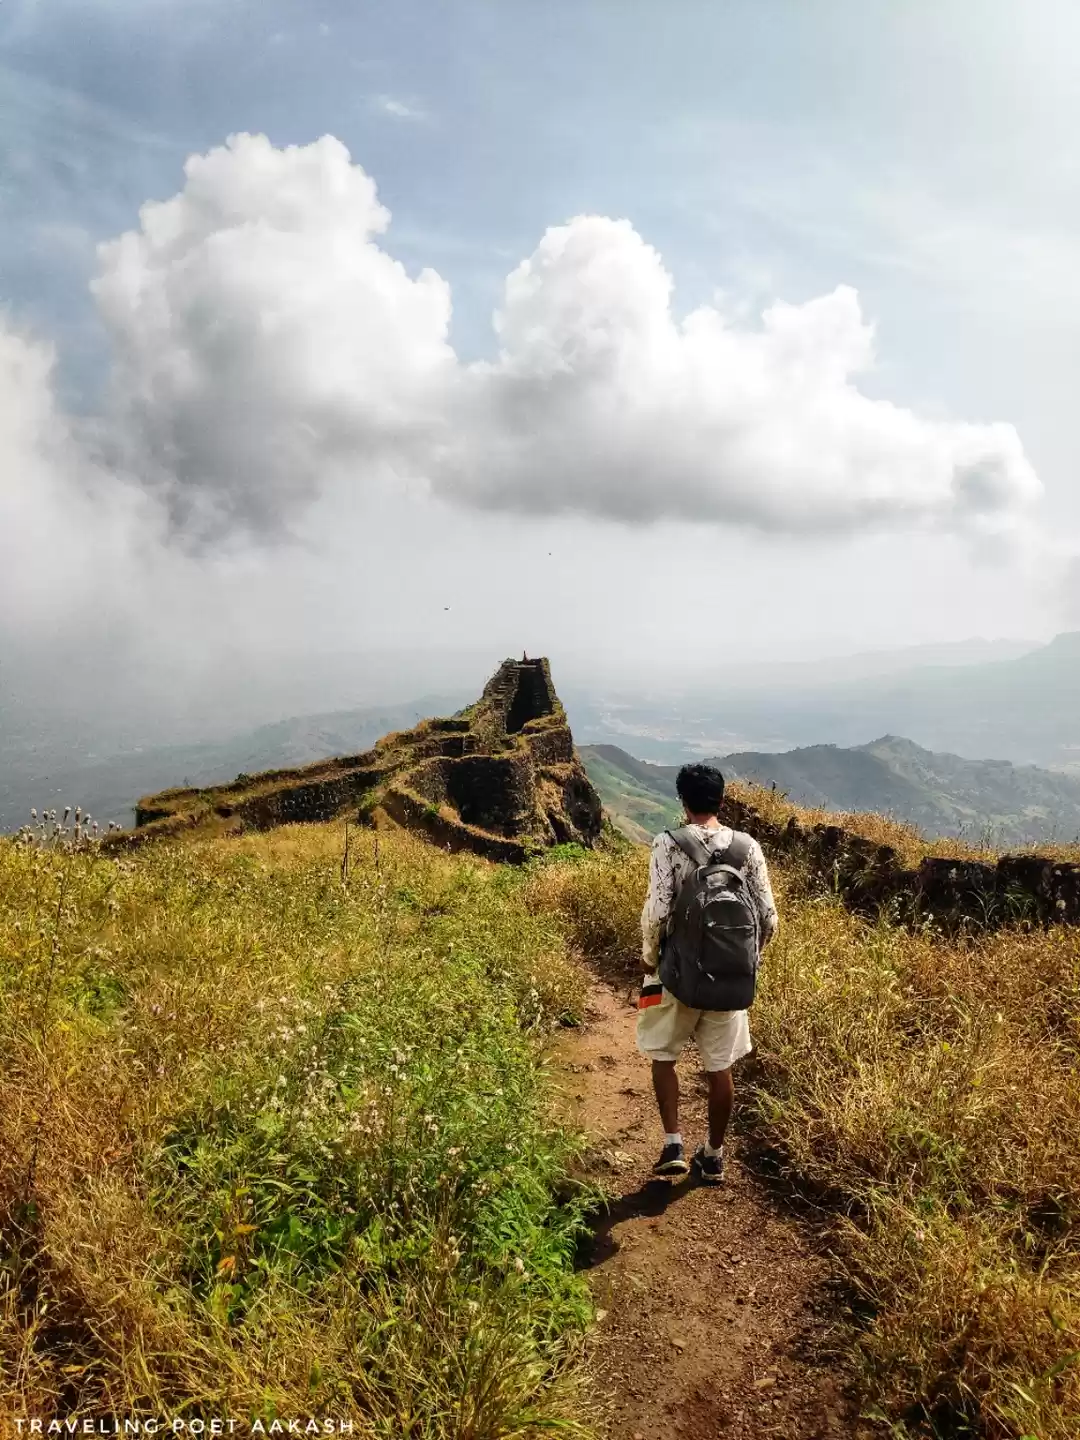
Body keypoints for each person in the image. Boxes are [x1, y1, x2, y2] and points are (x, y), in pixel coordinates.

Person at [637, 762, 778, 1183]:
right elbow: (768, 919)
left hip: (677, 975)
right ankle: (714, 1155)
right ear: (722, 800)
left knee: (663, 1056)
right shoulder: (748, 848)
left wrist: (650, 958)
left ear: (683, 800)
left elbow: (658, 912)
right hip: (729, 979)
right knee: (720, 1067)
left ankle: (674, 1144)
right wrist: (744, 962)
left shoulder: (668, 844)